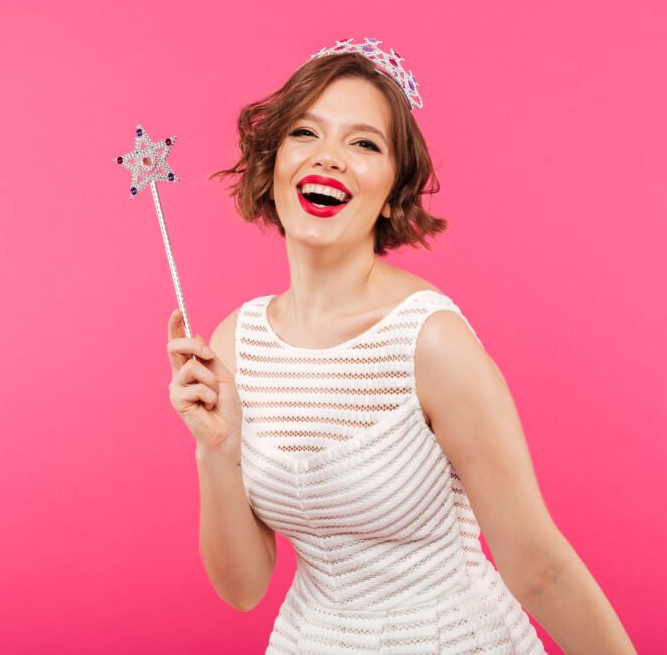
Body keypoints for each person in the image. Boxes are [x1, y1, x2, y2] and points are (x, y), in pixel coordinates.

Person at [166, 37, 637, 654]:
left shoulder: (431, 341)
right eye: (306, 133)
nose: (330, 157)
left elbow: (539, 570)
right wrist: (216, 451)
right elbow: (244, 588)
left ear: (391, 192)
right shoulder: (235, 343)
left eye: (363, 143)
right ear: (273, 164)